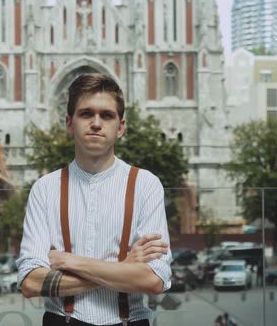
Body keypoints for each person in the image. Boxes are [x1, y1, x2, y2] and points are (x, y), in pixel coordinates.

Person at [17, 73, 172, 326]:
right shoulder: (44, 189)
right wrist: (124, 267)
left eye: (107, 115)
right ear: (69, 123)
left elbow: (154, 280)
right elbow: (30, 282)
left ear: (120, 127)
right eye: (86, 114)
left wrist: (69, 261)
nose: (96, 123)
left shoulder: (146, 185)